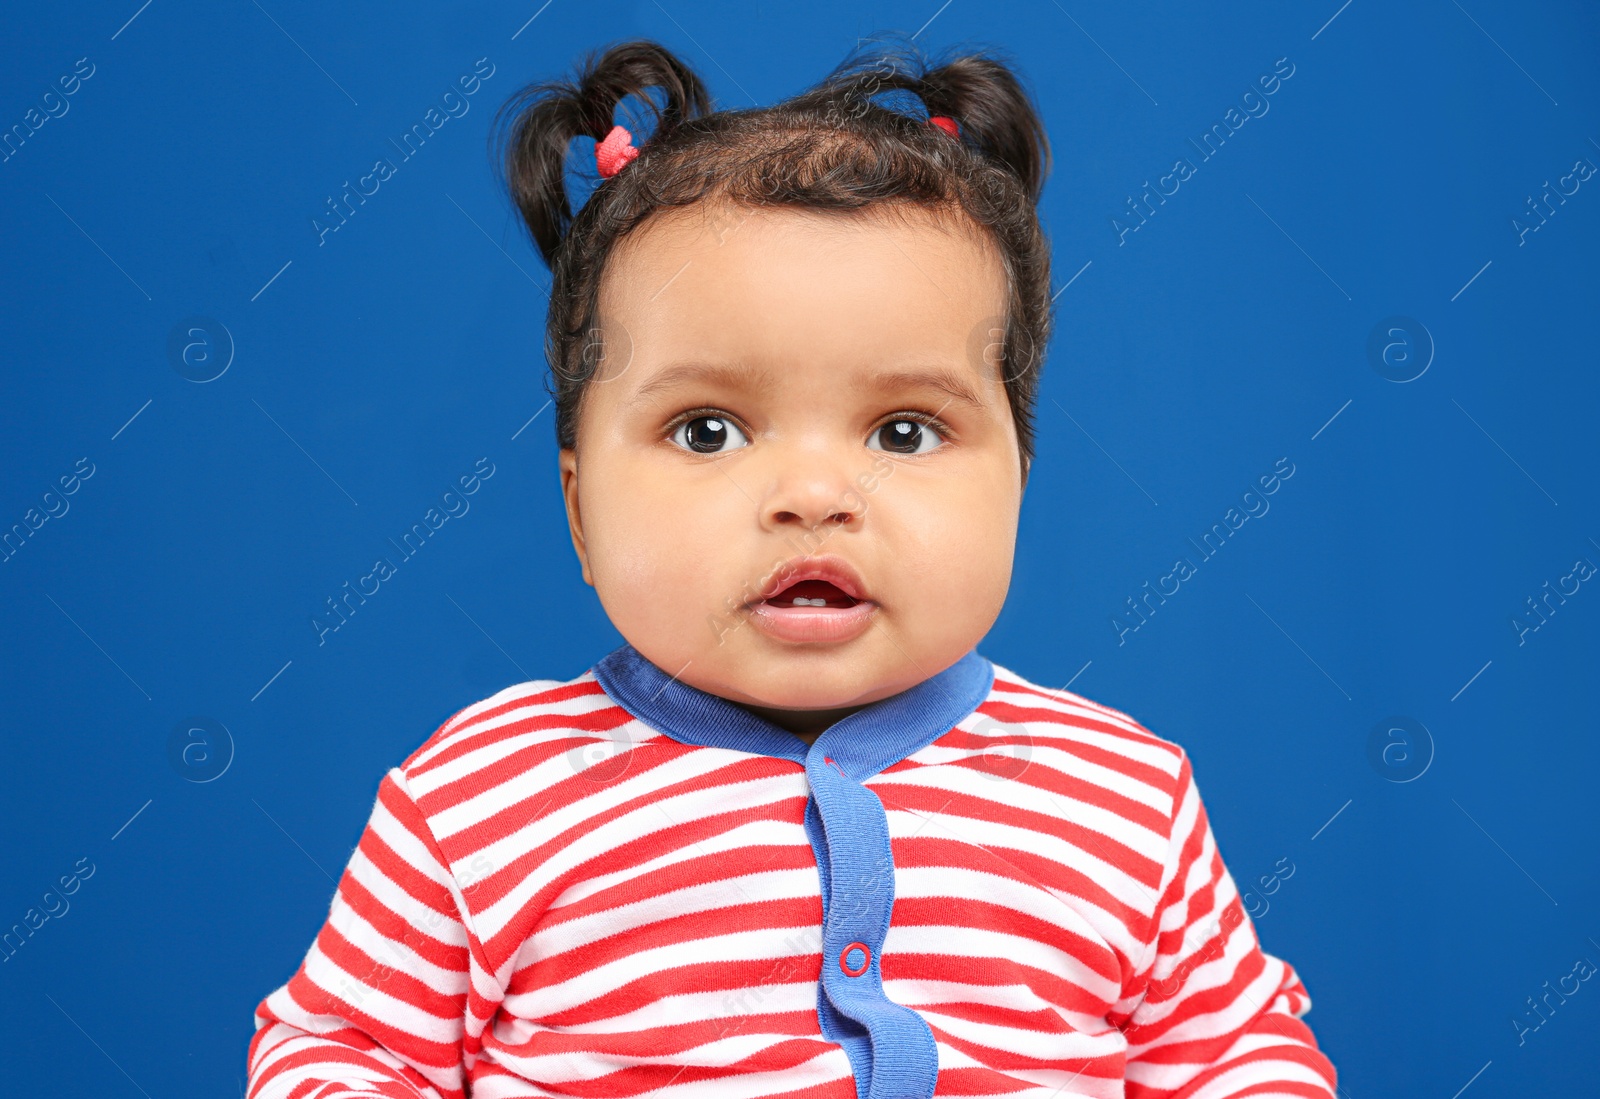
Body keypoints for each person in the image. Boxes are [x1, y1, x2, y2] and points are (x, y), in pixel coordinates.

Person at [245, 34, 1338, 1099]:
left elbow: (1240, 1054)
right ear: (579, 509)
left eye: (904, 431)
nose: (815, 496)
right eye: (708, 430)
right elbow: (338, 1053)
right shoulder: (481, 796)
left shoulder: (1122, 796)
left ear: (1019, 477)